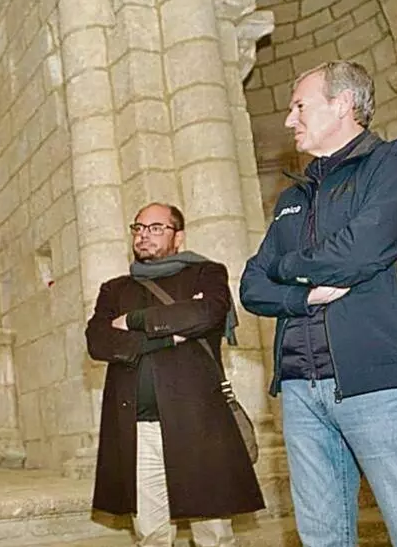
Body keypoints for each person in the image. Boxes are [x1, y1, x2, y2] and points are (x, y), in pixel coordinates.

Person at [240, 60, 397, 547]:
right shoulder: (293, 197)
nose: (289, 120)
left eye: (299, 106)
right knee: (322, 536)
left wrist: (285, 267)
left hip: (385, 381)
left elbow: (356, 254)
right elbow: (251, 286)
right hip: (301, 386)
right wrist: (302, 295)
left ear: (341, 104)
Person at [87, 203, 263, 546]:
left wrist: (133, 321)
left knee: (213, 536)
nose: (144, 236)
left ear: (178, 237)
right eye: (138, 228)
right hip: (138, 429)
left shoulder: (206, 273)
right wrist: (167, 336)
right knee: (151, 535)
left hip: (198, 424)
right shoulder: (114, 289)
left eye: (156, 228)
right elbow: (99, 341)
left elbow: (206, 313)